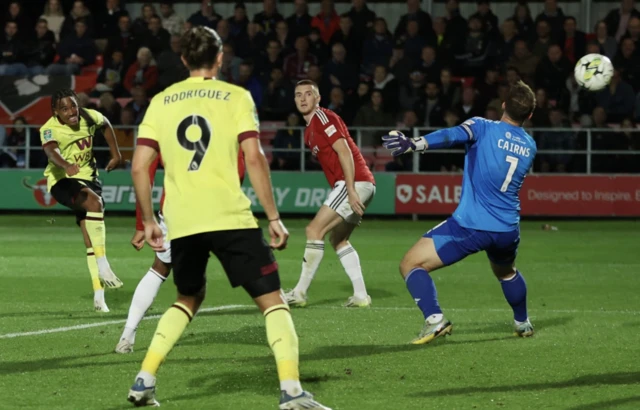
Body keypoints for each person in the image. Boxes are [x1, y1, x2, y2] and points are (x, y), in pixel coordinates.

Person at [128, 26, 331, 410]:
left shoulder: (160, 102)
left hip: (182, 220)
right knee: (273, 301)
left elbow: (140, 166)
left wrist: (148, 220)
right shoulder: (236, 96)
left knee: (187, 297)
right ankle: (290, 390)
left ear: (184, 59)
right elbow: (253, 157)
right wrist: (273, 216)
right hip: (229, 217)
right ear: (220, 58)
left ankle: (145, 379)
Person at [381, 80, 537, 344]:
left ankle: (435, 320)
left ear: (503, 105)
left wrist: (414, 143)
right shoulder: (530, 146)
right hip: (507, 229)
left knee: (410, 264)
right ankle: (523, 323)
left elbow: (451, 135)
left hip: (472, 225)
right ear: (530, 115)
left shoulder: (483, 127)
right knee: (506, 272)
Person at [115, 150, 247, 354]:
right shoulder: (226, 120)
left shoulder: (166, 123)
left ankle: (127, 336)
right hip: (214, 211)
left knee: (160, 269)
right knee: (246, 274)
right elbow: (238, 170)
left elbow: (144, 171)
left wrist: (142, 222)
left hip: (175, 208)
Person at [284, 80, 376, 308]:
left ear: (318, 98)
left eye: (308, 94)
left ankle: (299, 293)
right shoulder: (308, 133)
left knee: (314, 230)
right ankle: (361, 295)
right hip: (358, 184)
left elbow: (344, 152)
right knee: (338, 239)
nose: (303, 98)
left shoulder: (323, 118)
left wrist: (351, 190)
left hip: (354, 182)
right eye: (298, 95)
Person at [40, 89, 123, 312]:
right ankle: (104, 266)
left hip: (89, 178)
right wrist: (66, 165)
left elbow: (105, 123)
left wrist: (116, 154)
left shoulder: (88, 116)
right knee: (95, 203)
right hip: (62, 182)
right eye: (64, 109)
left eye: (73, 105)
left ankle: (99, 297)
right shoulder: (49, 128)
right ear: (56, 112)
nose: (71, 112)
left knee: (89, 237)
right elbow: (51, 152)